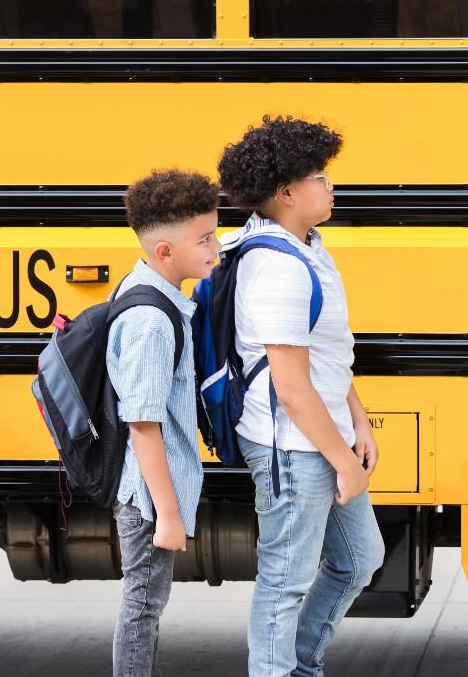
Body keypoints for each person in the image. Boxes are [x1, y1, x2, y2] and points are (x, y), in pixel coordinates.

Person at [217, 115, 385, 677]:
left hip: (323, 437)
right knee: (285, 581)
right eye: (319, 174)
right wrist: (345, 462)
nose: (330, 183)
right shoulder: (276, 268)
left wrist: (357, 423)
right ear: (286, 193)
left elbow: (328, 353)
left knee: (360, 559)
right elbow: (291, 387)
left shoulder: (309, 245)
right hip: (291, 446)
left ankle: (301, 666)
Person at [110, 168, 220, 676]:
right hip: (149, 497)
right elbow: (143, 424)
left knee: (145, 606)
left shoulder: (151, 291)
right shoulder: (151, 321)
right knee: (142, 608)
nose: (215, 246)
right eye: (205, 238)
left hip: (151, 491)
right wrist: (169, 515)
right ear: (165, 253)